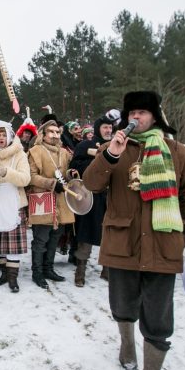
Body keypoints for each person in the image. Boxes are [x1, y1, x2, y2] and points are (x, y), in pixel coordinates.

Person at [83, 91, 185, 370]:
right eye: (131, 112)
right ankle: (126, 344)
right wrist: (110, 155)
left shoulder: (178, 153)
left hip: (162, 244)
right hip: (123, 242)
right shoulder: (116, 148)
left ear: (155, 116)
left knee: (159, 318)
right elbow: (91, 184)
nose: (135, 117)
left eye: (142, 112)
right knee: (123, 305)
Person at [70, 112, 117, 287]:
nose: (108, 130)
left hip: (110, 197)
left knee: (110, 234)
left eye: (110, 127)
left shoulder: (117, 145)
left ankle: (107, 270)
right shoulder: (84, 145)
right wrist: (96, 160)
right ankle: (80, 272)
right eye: (105, 127)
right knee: (86, 236)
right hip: (91, 197)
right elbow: (74, 167)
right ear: (98, 128)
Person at [0, 120, 31, 293]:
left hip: (13, 200)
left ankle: (13, 278)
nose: (1, 138)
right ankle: (4, 274)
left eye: (4, 135)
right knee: (1, 241)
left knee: (12, 243)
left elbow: (26, 179)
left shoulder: (19, 154)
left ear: (10, 136)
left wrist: (6, 172)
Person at [27, 116, 74, 288]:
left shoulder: (64, 153)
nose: (55, 135)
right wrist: (52, 184)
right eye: (51, 132)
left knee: (55, 237)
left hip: (61, 202)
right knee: (41, 239)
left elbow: (66, 173)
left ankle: (48, 269)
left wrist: (71, 175)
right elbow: (31, 177)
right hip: (42, 200)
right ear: (43, 134)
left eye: (57, 132)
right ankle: (37, 272)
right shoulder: (35, 151)